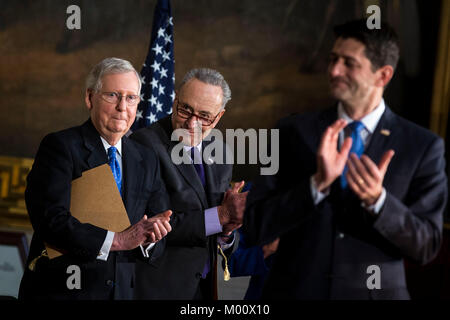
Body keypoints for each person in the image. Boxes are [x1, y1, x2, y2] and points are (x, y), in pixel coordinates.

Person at [243, 19, 447, 299]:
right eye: (333, 59)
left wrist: (379, 201)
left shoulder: (423, 146)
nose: (334, 70)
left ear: (383, 75)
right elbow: (254, 226)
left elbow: (426, 246)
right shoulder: (290, 131)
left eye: (349, 63)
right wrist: (315, 186)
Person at [19, 57, 173, 300]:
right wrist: (119, 240)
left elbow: (156, 225)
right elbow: (50, 220)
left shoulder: (146, 158)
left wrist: (151, 237)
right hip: (64, 292)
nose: (123, 107)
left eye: (131, 98)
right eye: (113, 95)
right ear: (90, 98)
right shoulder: (60, 147)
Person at [131, 68, 247, 300]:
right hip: (159, 287)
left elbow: (218, 232)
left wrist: (227, 231)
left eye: (204, 116)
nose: (192, 123)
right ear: (175, 100)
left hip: (203, 287)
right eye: (185, 109)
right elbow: (153, 223)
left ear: (219, 117)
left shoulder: (221, 151)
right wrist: (221, 215)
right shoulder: (145, 144)